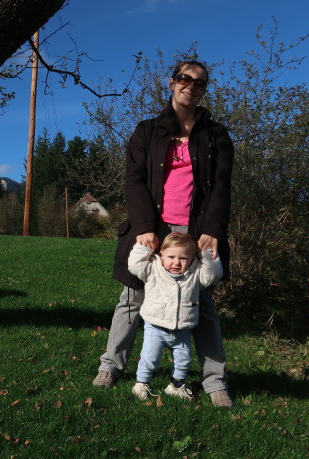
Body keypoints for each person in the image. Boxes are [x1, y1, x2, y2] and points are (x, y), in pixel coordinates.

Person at [91, 60, 235, 408]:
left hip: (196, 233)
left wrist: (213, 231)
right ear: (172, 83)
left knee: (204, 307)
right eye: (185, 79)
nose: (191, 86)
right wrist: (143, 227)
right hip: (153, 229)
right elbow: (135, 180)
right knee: (132, 299)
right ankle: (110, 367)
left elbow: (223, 187)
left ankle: (215, 383)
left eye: (199, 83)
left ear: (204, 90)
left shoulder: (216, 135)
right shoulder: (148, 131)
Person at [128, 232, 223, 400]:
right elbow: (134, 265)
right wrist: (144, 248)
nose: (176, 262)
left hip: (182, 329)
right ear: (161, 254)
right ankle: (141, 383)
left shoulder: (195, 274)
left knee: (184, 359)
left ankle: (176, 386)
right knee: (150, 358)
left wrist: (206, 253)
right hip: (155, 326)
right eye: (171, 256)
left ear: (193, 258)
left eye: (183, 258)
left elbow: (213, 275)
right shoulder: (153, 269)